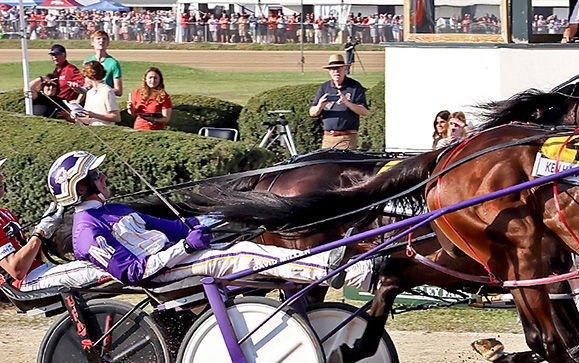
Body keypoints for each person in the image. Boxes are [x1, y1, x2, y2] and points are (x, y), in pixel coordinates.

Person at [53, 151, 363, 289]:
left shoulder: (114, 209)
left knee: (242, 238)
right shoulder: (87, 233)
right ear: (81, 187)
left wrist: (222, 217)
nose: (103, 176)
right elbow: (132, 272)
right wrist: (185, 247)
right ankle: (335, 270)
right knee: (243, 255)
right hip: (162, 273)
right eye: (95, 174)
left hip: (176, 258)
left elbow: (172, 227)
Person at [0, 158, 109, 292]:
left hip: (40, 271)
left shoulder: (5, 213)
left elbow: (36, 258)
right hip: (25, 282)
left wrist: (45, 230)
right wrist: (40, 231)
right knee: (105, 265)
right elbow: (16, 270)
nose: (1, 176)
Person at [309, 54, 370, 150]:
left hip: (347, 138)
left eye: (339, 69)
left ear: (345, 70)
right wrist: (320, 106)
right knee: (327, 164)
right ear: (329, 71)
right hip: (328, 138)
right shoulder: (325, 87)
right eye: (333, 69)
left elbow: (365, 111)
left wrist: (347, 103)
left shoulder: (354, 86)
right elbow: (312, 112)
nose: (336, 72)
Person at [76, 61, 121, 127]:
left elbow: (116, 117)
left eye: (85, 77)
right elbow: (90, 120)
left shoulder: (107, 91)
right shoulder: (90, 93)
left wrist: (94, 115)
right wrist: (76, 117)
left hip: (107, 130)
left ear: (89, 76)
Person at [83, 30, 122, 96]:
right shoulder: (87, 61)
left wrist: (100, 90)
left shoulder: (113, 63)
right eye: (98, 38)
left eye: (104, 39)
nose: (101, 41)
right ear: (92, 42)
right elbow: (87, 84)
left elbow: (118, 91)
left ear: (108, 43)